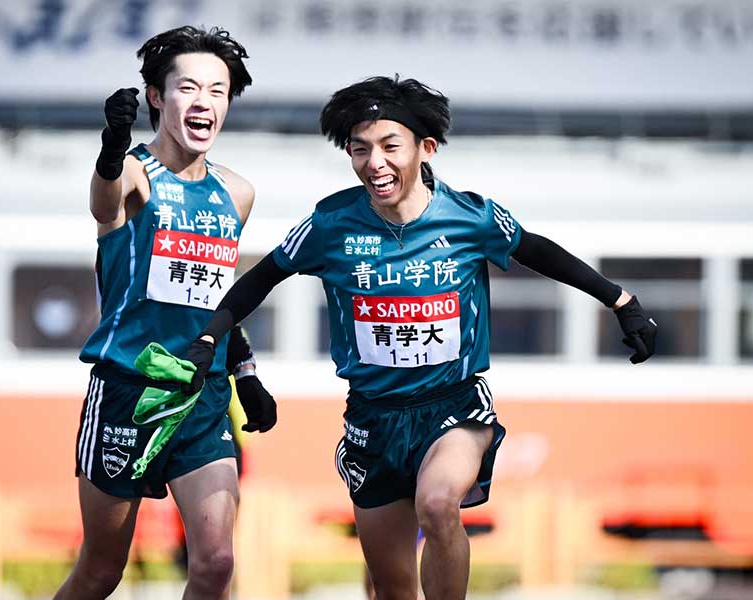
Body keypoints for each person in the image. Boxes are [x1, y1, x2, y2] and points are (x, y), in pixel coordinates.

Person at [182, 75, 658, 600]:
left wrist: (621, 302)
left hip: (452, 405)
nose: (375, 164)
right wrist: (211, 340)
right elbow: (260, 278)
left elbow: (537, 250)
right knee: (390, 589)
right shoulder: (330, 222)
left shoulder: (470, 216)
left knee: (436, 504)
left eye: (390, 147)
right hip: (373, 417)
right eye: (359, 150)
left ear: (425, 148)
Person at [55, 26, 277, 600]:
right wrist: (110, 146)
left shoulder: (238, 192)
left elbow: (213, 296)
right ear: (157, 97)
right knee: (102, 571)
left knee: (216, 563)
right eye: (188, 88)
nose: (204, 102)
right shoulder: (133, 175)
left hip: (202, 397)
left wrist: (246, 373)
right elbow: (103, 203)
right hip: (128, 387)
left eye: (218, 91)